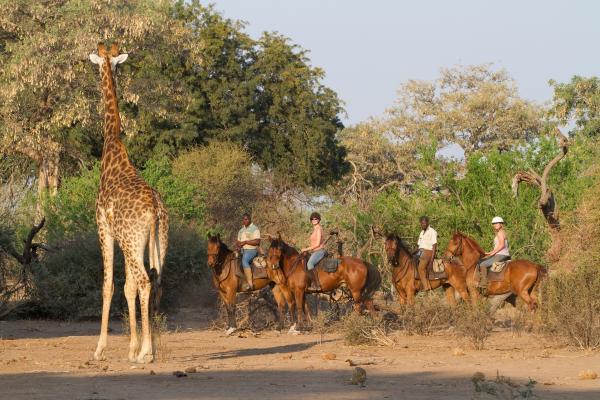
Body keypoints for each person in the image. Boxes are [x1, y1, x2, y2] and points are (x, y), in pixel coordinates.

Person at [478, 216, 511, 288]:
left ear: (501, 224)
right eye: (494, 223)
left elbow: (502, 245)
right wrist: (490, 252)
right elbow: (498, 246)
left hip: (501, 255)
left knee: (482, 264)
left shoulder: (500, 233)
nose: (495, 225)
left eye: (497, 223)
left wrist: (492, 253)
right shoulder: (502, 232)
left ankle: (483, 283)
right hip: (502, 254)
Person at [301, 212, 326, 291]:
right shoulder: (315, 229)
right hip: (314, 251)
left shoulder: (318, 229)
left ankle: (316, 285)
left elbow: (317, 244)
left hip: (320, 251)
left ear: (319, 220)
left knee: (310, 263)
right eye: (312, 219)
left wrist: (306, 249)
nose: (314, 220)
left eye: (316, 219)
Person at [236, 213, 261, 291]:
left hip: (252, 250)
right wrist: (238, 247)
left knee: (244, 260)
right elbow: (238, 242)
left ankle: (250, 283)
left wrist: (246, 242)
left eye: (246, 219)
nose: (245, 221)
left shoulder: (255, 228)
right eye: (244, 219)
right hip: (242, 250)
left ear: (250, 220)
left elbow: (257, 241)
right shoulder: (241, 231)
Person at [417, 216, 437, 291]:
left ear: (428, 223)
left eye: (424, 223)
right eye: (422, 223)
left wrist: (432, 260)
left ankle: (426, 286)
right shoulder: (421, 232)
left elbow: (434, 246)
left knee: (421, 268)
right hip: (420, 251)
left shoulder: (432, 231)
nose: (423, 225)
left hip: (428, 251)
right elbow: (419, 246)